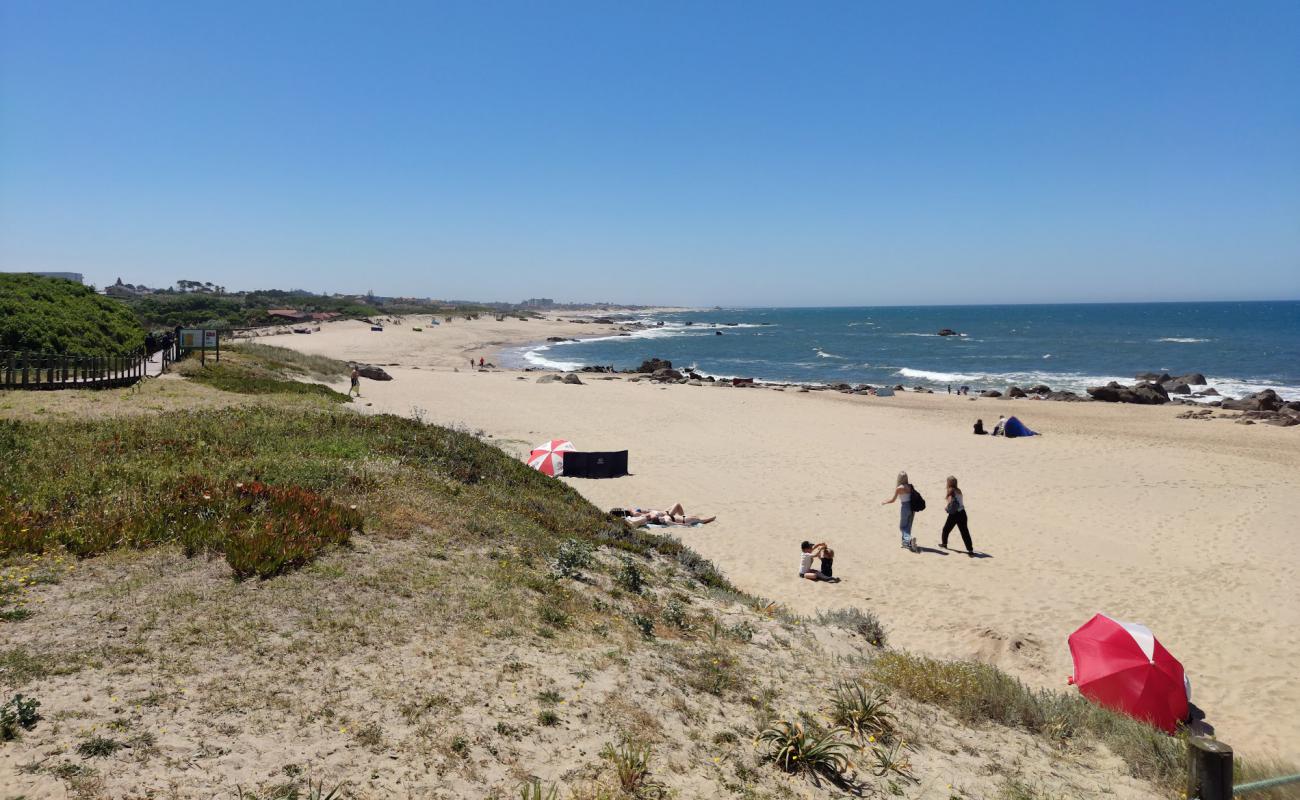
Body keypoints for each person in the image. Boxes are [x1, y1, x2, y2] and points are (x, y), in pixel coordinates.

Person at [882, 471, 918, 552]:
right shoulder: (910, 486)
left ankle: (910, 539)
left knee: (902, 527)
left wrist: (885, 502)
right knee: (908, 526)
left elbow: (893, 500)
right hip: (912, 507)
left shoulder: (899, 488)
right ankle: (906, 543)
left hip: (905, 507)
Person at [940, 476, 974, 556]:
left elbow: (950, 501)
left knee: (946, 529)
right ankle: (970, 550)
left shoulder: (950, 490)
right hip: (963, 513)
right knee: (965, 532)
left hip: (954, 514)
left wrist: (947, 507)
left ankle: (944, 544)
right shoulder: (959, 490)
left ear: (949, 483)